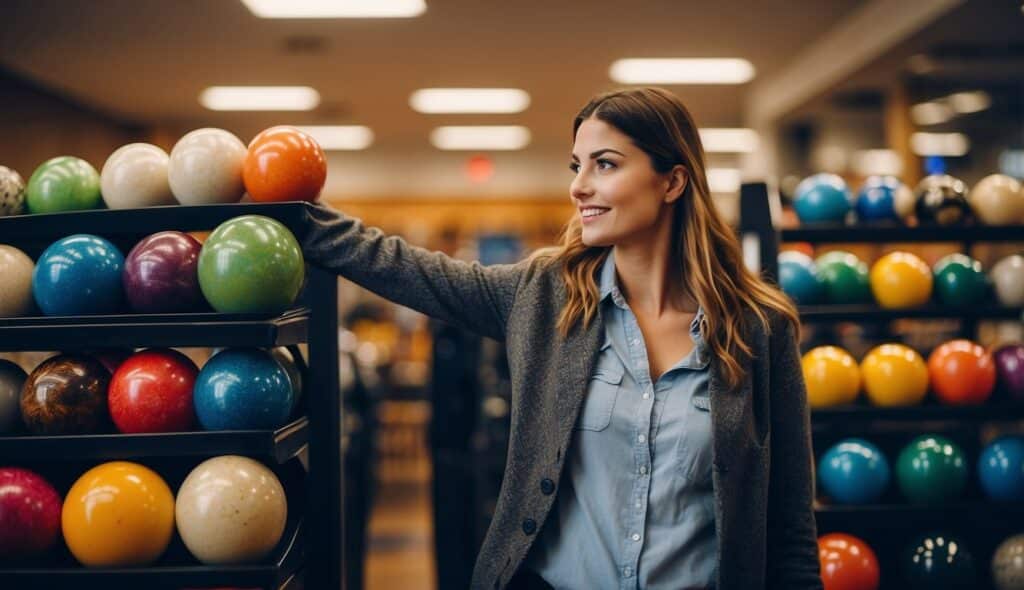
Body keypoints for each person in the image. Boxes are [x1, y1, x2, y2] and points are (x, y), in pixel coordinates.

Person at [303, 87, 822, 590]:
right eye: (578, 166)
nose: (579, 186)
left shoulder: (758, 327)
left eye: (606, 164)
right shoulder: (544, 296)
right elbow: (404, 267)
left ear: (672, 181)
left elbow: (790, 528)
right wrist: (293, 215)